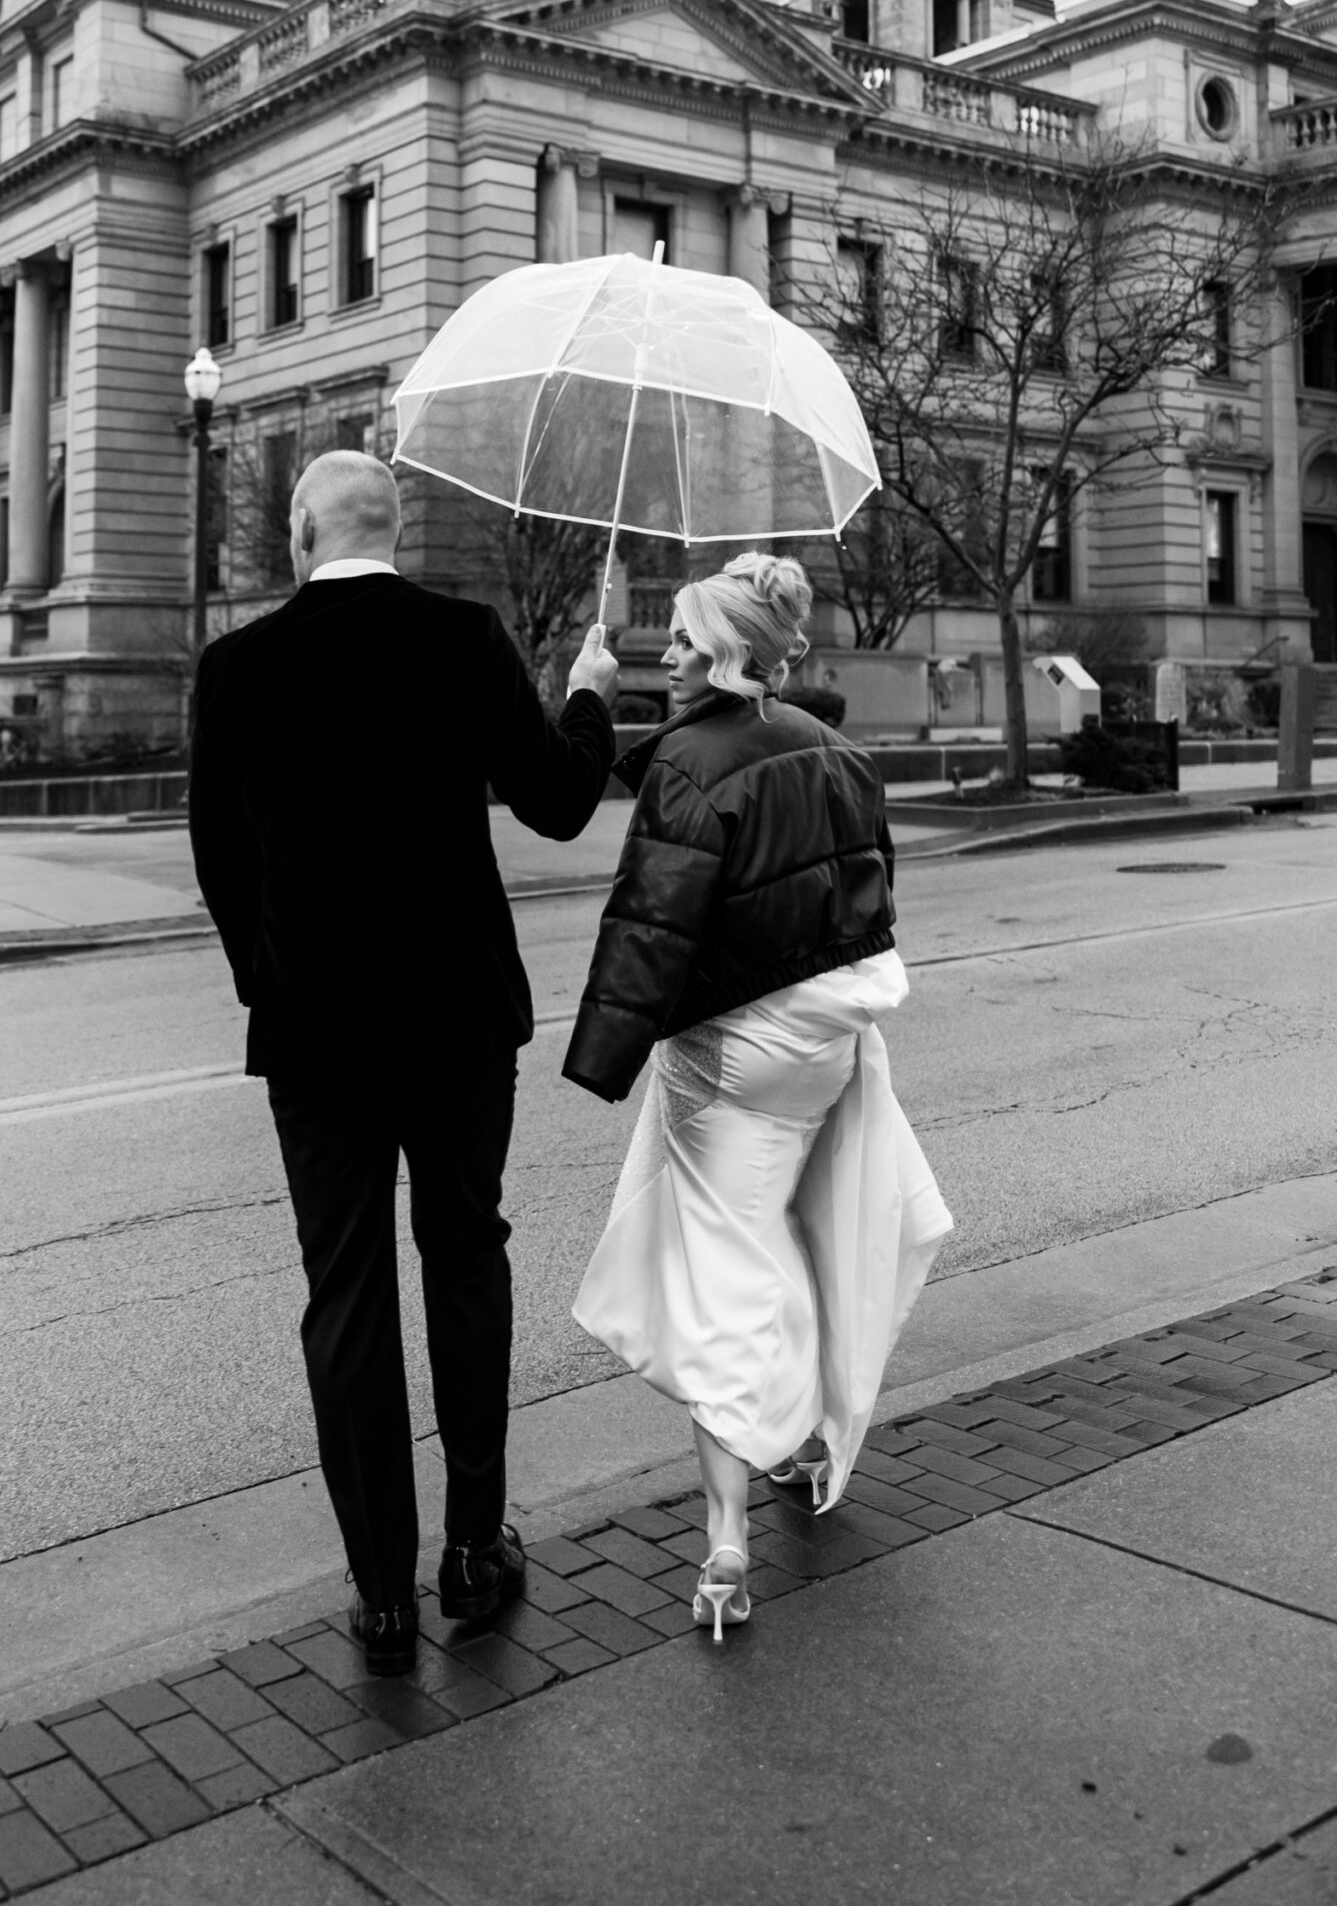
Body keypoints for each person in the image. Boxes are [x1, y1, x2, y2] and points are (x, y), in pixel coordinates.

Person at [189, 450, 618, 1677]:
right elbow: (555, 802)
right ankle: (475, 1547)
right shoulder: (464, 636)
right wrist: (587, 695)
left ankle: (380, 1593)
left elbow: (220, 855)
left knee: (346, 1292)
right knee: (465, 1254)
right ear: (394, 524)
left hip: (316, 1031)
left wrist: (268, 980)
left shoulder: (238, 666)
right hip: (455, 1020)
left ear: (297, 532)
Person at [563, 552, 949, 1642]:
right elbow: (869, 901)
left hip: (728, 1059)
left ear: (729, 654)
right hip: (824, 1047)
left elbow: (651, 925)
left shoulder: (688, 762)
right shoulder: (837, 752)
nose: (666, 652)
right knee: (793, 1232)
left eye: (683, 639)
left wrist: (599, 1058)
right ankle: (800, 1437)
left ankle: (725, 1537)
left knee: (718, 1271)